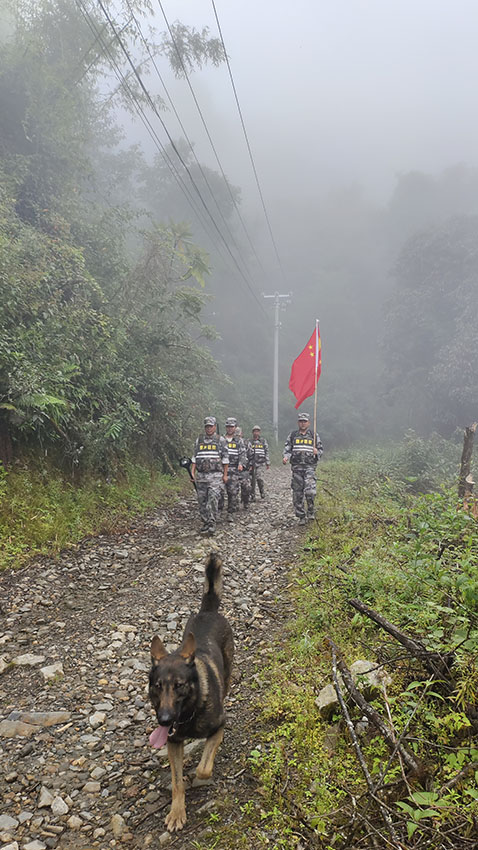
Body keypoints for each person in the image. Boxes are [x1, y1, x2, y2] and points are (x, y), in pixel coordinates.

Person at [283, 412, 323, 525]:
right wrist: (286, 457)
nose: (303, 423)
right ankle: (301, 516)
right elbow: (287, 449)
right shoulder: (293, 435)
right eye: (301, 421)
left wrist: (317, 452)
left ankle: (310, 510)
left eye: (305, 421)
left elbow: (321, 450)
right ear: (298, 422)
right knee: (297, 493)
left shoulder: (314, 436)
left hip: (309, 467)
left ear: (309, 423)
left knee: (310, 491)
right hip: (296, 468)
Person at [191, 416, 229, 536]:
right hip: (201, 476)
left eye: (211, 426)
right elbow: (194, 458)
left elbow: (225, 459)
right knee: (202, 501)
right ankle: (205, 522)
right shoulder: (199, 440)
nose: (208, 428)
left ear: (215, 427)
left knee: (212, 499)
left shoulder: (220, 440)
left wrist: (225, 475)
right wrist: (192, 472)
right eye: (207, 426)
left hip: (215, 476)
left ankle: (212, 523)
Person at [223, 417, 247, 521]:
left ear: (235, 427)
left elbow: (242, 454)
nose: (229, 429)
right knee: (219, 492)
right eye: (228, 426)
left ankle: (230, 513)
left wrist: (241, 464)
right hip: (222, 470)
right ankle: (218, 511)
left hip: (234, 470)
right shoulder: (221, 439)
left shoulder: (239, 441)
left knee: (232, 492)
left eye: (231, 427)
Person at [249, 425, 270, 501]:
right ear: (252, 432)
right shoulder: (250, 442)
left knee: (259, 478)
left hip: (260, 463)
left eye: (257, 431)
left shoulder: (263, 441)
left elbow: (266, 451)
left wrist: (267, 462)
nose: (256, 433)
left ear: (259, 432)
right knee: (252, 480)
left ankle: (262, 492)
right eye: (255, 431)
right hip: (252, 463)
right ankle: (252, 495)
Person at [235, 426, 251, 509]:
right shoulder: (231, 442)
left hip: (244, 470)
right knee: (234, 489)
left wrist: (250, 465)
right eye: (236, 434)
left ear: (241, 434)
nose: (237, 435)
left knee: (246, 487)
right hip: (233, 469)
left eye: (238, 434)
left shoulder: (246, 443)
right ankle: (235, 504)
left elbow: (250, 454)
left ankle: (246, 501)